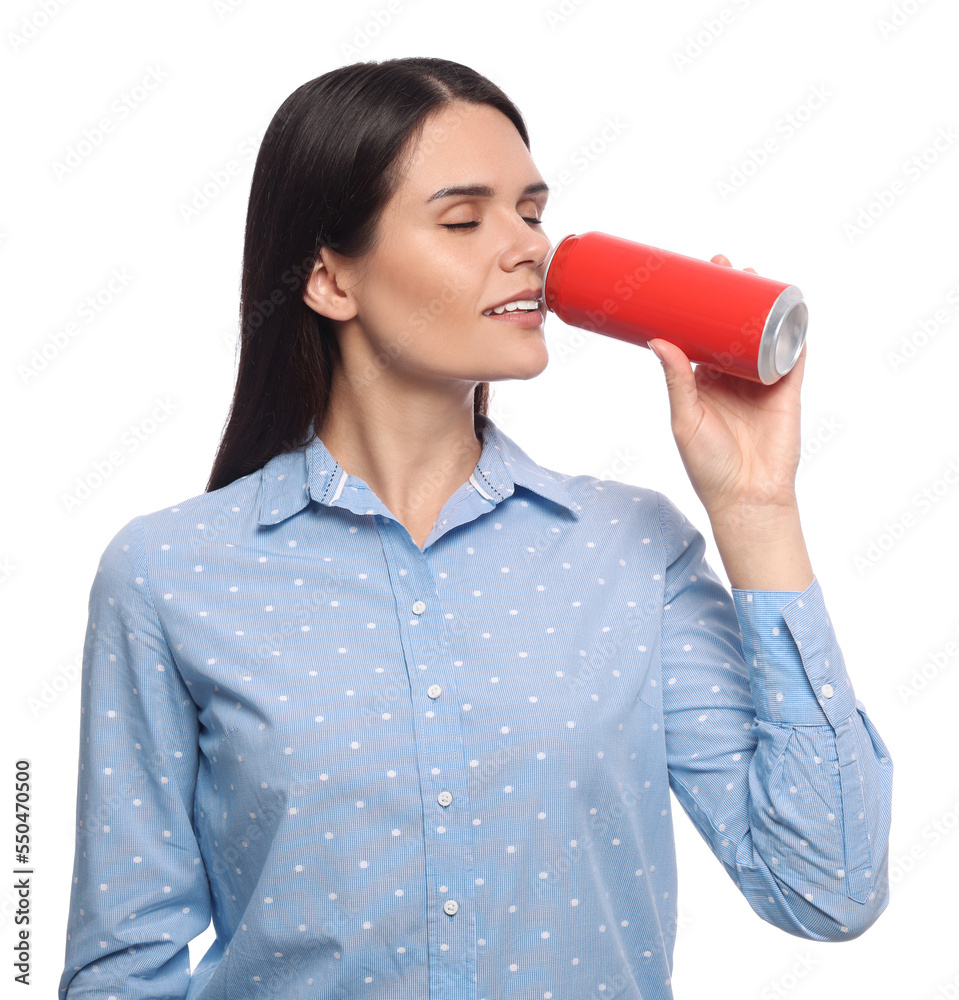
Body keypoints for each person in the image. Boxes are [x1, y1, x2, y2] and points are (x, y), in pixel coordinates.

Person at [57, 57, 893, 1000]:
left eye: (531, 211)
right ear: (331, 280)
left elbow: (829, 887)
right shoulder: (171, 574)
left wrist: (756, 508)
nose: (528, 247)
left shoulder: (630, 552)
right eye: (463, 220)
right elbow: (122, 967)